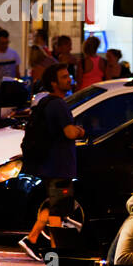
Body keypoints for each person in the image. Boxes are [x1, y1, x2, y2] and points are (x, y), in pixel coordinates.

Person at [20, 63, 85, 194]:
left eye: (69, 76)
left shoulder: (46, 102)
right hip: (60, 168)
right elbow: (70, 133)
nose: (69, 80)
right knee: (59, 208)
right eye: (64, 77)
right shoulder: (59, 104)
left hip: (48, 168)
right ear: (54, 83)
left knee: (52, 207)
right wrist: (81, 131)